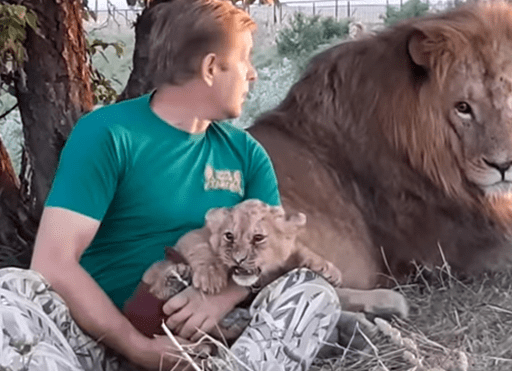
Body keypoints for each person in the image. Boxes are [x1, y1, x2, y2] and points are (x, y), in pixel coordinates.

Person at [0, 0, 340, 370]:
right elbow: (53, 262)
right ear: (211, 68)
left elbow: (272, 253)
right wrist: (133, 345)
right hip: (96, 344)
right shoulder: (108, 134)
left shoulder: (246, 154)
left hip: (210, 349)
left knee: (313, 292)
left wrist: (220, 298)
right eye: (245, 60)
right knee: (9, 291)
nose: (253, 74)